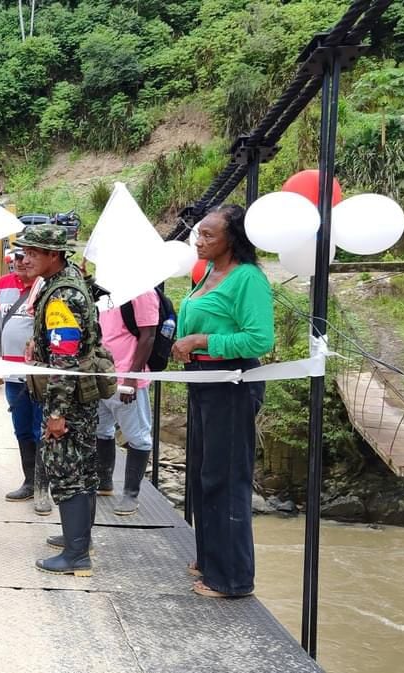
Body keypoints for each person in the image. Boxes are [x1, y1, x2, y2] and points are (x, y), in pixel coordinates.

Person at [171, 204, 273, 598]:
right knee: (201, 473)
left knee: (226, 477)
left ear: (234, 239)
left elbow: (259, 339)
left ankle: (232, 579)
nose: (200, 240)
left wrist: (202, 342)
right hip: (203, 381)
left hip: (231, 384)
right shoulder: (211, 272)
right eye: (199, 233)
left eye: (209, 235)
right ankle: (210, 558)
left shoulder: (248, 278)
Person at [19, 225, 103, 577]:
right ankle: (77, 539)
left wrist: (56, 414)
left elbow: (65, 360)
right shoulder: (66, 281)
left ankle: (76, 554)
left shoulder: (62, 296)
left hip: (69, 403)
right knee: (83, 471)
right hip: (80, 400)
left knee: (67, 472)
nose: (26, 258)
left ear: (54, 255)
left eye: (34, 252)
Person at [0, 247, 51, 513]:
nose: (21, 262)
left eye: (26, 257)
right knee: (21, 428)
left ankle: (44, 488)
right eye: (17, 258)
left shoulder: (46, 287)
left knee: (40, 428)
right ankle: (29, 481)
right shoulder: (2, 285)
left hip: (39, 373)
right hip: (13, 372)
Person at [95, 288, 159, 516]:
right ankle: (104, 482)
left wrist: (133, 377)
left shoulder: (142, 291)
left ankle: (131, 495)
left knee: (138, 436)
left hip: (127, 377)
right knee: (101, 430)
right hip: (103, 374)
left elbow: (148, 334)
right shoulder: (105, 290)